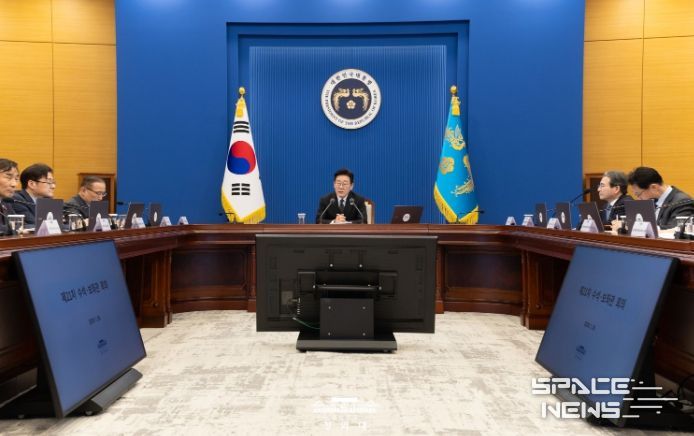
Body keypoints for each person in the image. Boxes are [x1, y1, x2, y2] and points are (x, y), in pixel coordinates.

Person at [627, 166, 694, 230]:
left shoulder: (682, 202)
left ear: (654, 187)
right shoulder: (652, 200)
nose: (638, 198)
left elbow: (676, 228)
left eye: (638, 194)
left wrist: (646, 228)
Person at [0, 158, 19, 235]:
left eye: (16, 179)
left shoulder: (6, 203)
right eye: (8, 177)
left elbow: (18, 226)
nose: (14, 184)